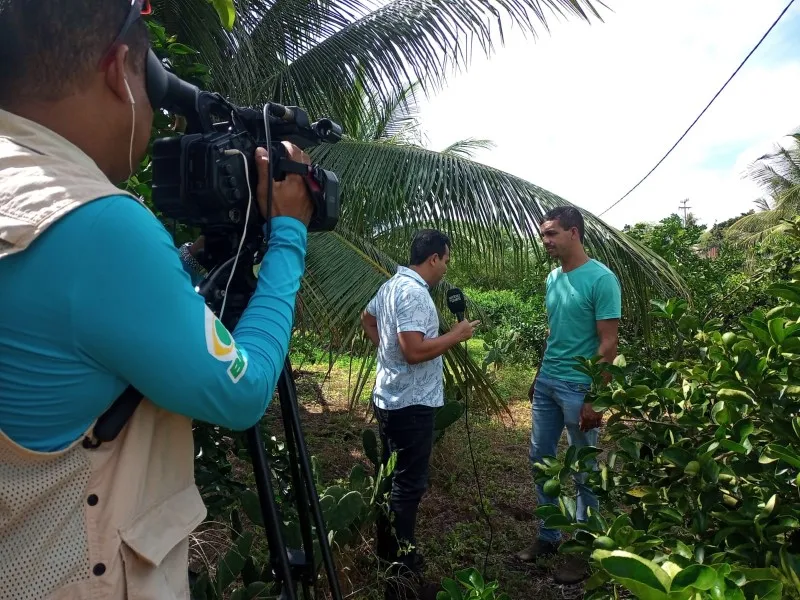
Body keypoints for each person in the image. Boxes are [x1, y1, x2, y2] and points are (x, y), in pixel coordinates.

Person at [0, 2, 314, 599]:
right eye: (152, 89)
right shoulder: (98, 226)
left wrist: (191, 257)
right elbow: (242, 393)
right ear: (119, 69)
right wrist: (289, 234)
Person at [361, 229, 479, 599]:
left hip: (390, 397)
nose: (446, 268)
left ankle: (388, 555)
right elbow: (413, 351)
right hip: (411, 404)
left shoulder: (391, 286)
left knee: (391, 478)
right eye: (446, 260)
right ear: (434, 258)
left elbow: (367, 319)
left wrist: (388, 354)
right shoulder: (413, 293)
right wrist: (456, 335)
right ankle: (402, 570)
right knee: (407, 486)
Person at [516, 206, 621, 584]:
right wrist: (537, 374)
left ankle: (583, 546)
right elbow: (553, 332)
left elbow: (609, 343)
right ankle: (548, 536)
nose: (545, 241)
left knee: (584, 469)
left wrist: (596, 397)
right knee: (540, 459)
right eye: (544, 235)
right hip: (548, 382)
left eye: (551, 234)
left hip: (580, 387)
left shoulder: (601, 279)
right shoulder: (552, 278)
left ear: (573, 233)